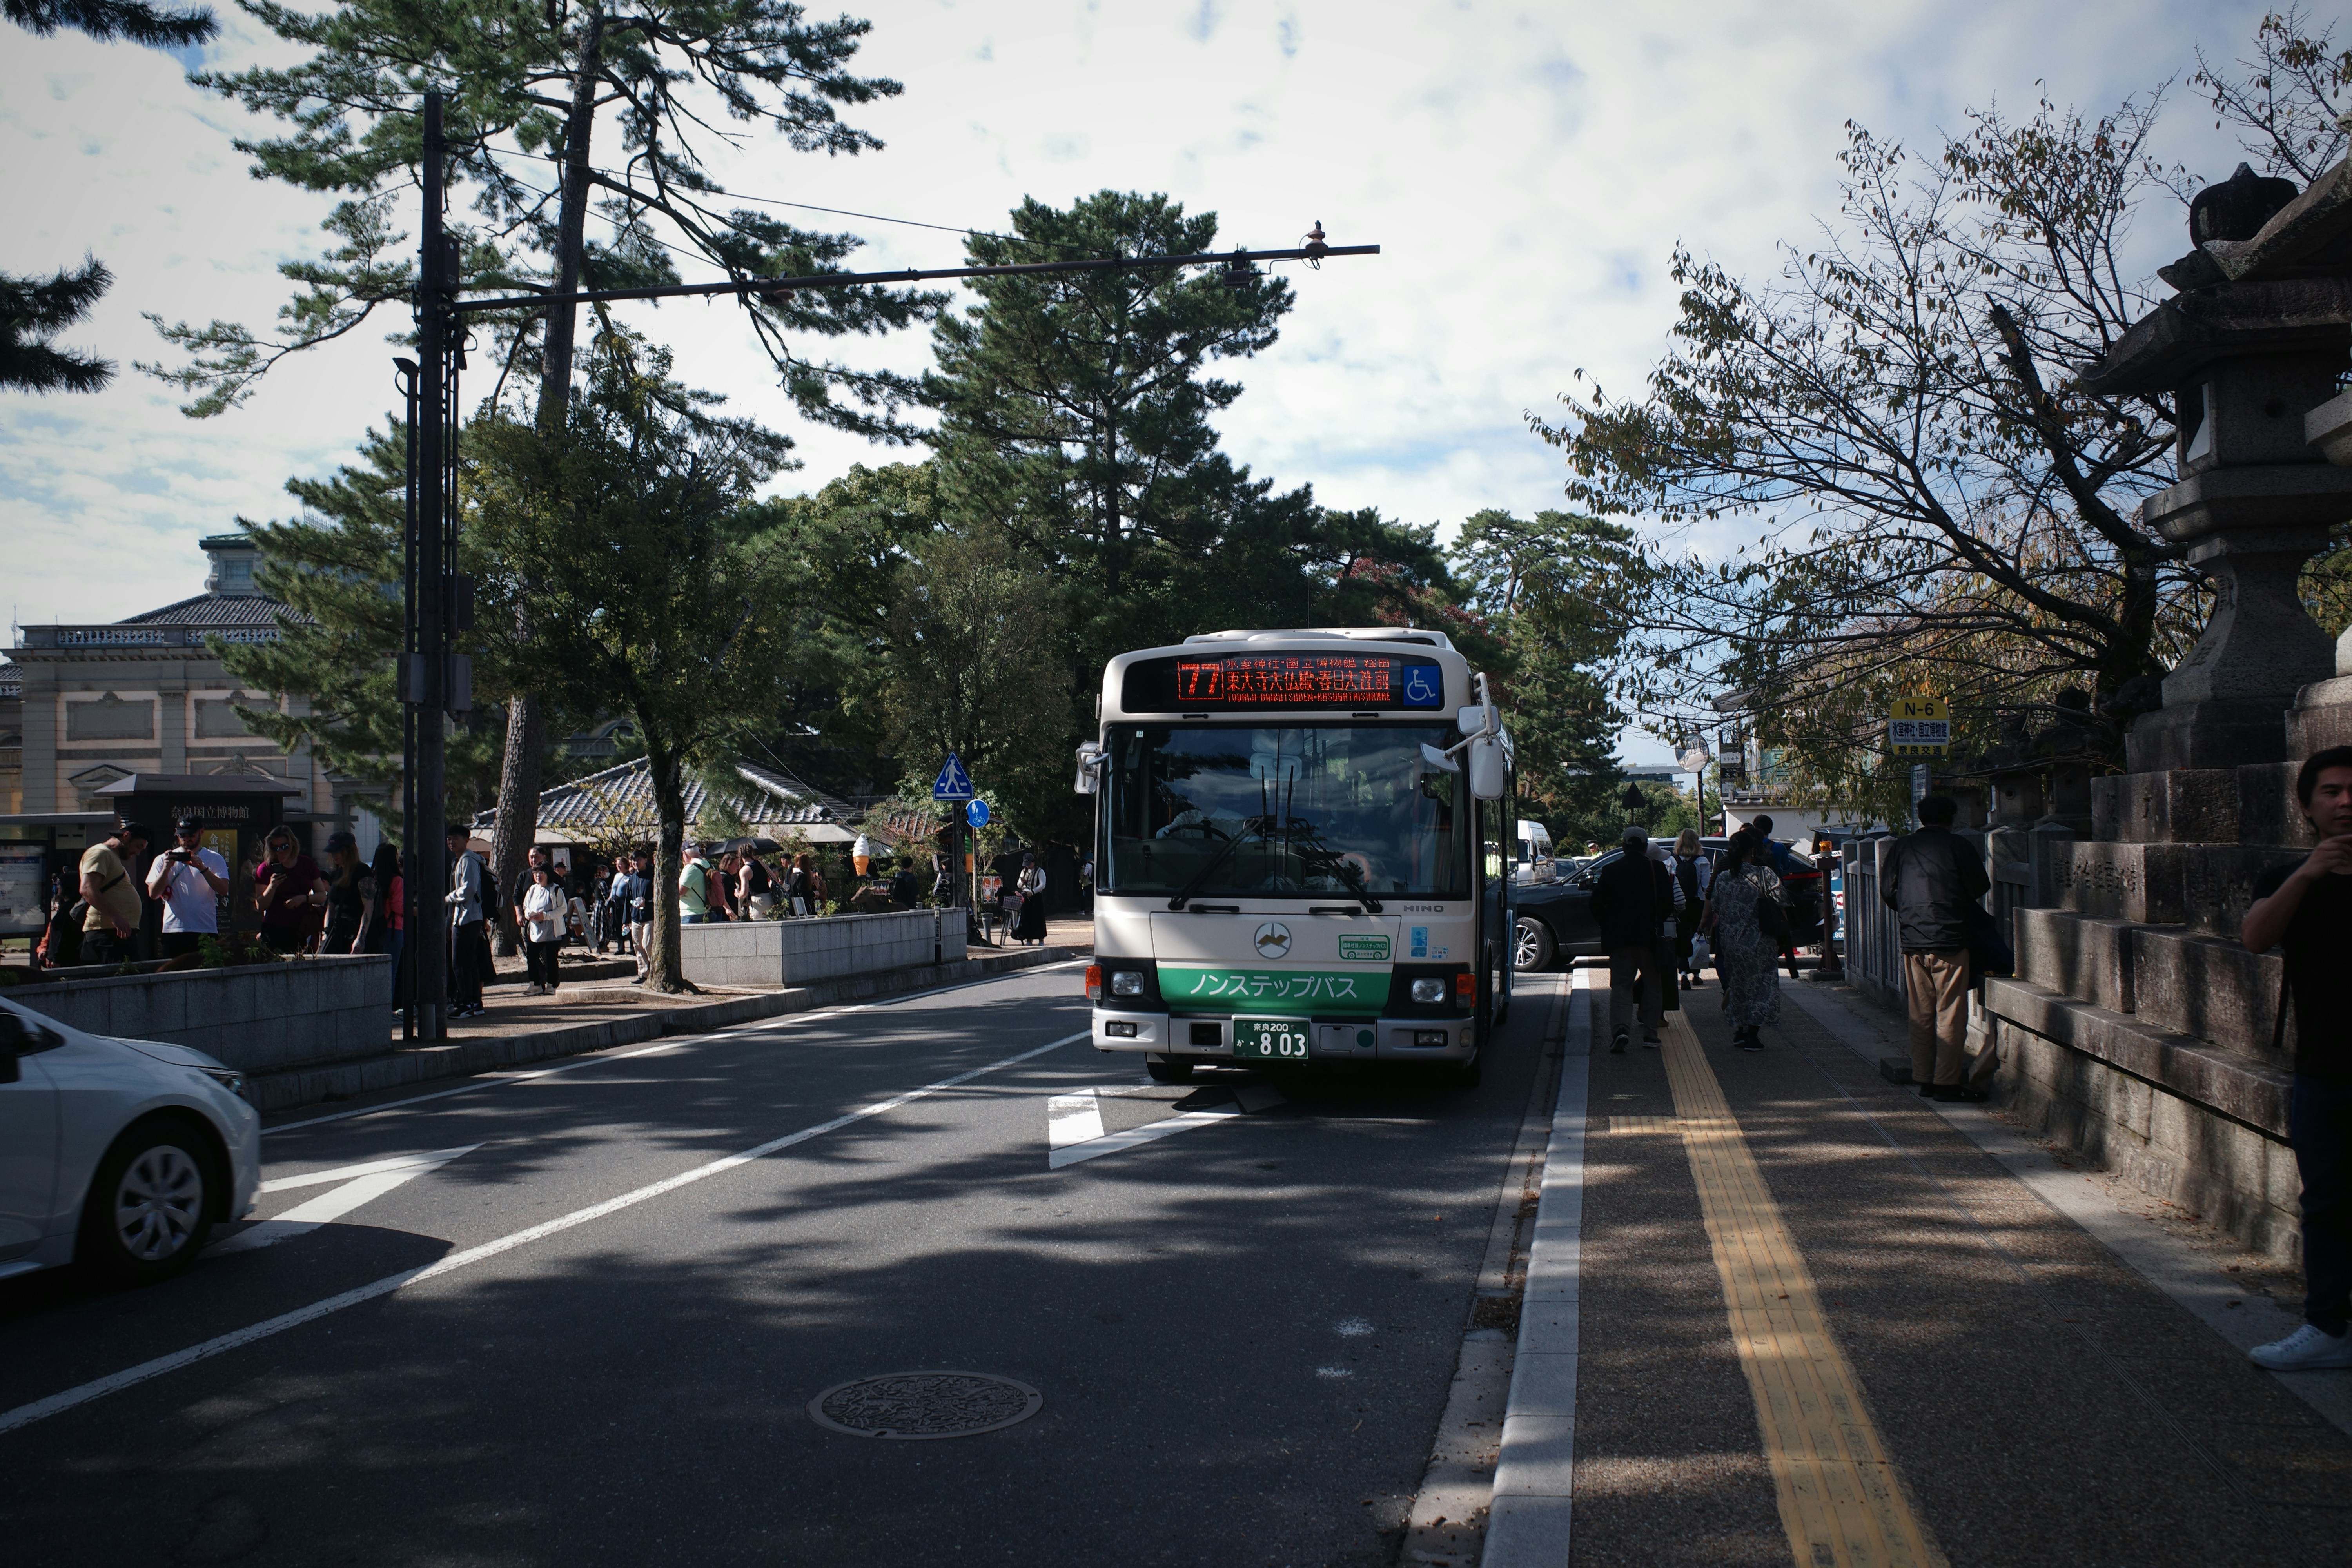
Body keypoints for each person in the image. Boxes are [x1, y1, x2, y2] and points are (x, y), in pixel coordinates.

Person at [2243, 745, 2352, 1371]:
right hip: (2325, 1068)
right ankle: (2326, 1324)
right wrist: (2310, 873)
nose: (2345, 803)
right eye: (2331, 792)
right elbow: (2256, 937)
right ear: (2308, 807)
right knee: (2327, 1203)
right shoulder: (2289, 878)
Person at [1880, 794, 1992, 1100]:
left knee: (1921, 1012)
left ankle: (1924, 1078)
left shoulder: (1902, 847)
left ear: (1921, 817)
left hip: (1913, 938)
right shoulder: (1959, 846)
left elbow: (1887, 890)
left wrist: (1909, 911)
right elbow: (1980, 886)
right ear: (1951, 818)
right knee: (1951, 1012)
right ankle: (1947, 1083)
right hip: (1951, 937)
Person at [1590, 826, 1680, 1053]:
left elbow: (1596, 904)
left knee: (1621, 985)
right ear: (1644, 845)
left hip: (1620, 939)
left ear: (1624, 846)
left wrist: (1608, 924)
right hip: (1650, 937)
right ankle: (1650, 1032)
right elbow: (1668, 904)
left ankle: (1620, 1029)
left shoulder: (1611, 870)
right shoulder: (1656, 869)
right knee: (1653, 984)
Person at [1702, 829, 1784, 1052]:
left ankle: (1739, 1028)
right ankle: (1752, 1034)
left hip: (1731, 942)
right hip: (1759, 941)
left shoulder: (1723, 877)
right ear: (1753, 850)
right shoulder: (1764, 875)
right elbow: (1783, 899)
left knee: (1738, 985)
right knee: (1761, 987)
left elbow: (1716, 904)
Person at [146, 817, 229, 960]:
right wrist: (166, 869)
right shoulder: (163, 859)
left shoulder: (215, 858)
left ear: (201, 832)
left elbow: (224, 889)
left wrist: (202, 868)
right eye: (182, 835)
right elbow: (153, 894)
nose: (186, 839)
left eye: (191, 835)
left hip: (205, 929)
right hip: (174, 930)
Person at [79, 820, 152, 967]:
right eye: (138, 847)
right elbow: (87, 889)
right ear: (126, 836)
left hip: (116, 932)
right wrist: (116, 917)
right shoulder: (100, 853)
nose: (137, 853)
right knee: (124, 980)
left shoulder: (110, 856)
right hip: (108, 933)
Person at [252, 828, 327, 955]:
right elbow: (260, 905)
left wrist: (303, 898)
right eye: (275, 848)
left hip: (303, 928)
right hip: (274, 929)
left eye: (284, 846)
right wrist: (272, 886)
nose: (280, 851)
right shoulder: (265, 869)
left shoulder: (306, 864)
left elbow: (322, 896)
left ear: (293, 844)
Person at [1749, 814, 1806, 978]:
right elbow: (1786, 866)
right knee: (1784, 929)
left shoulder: (1750, 846)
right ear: (1770, 829)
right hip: (1775, 892)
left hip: (1754, 893)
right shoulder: (1779, 848)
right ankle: (1792, 969)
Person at [445, 825, 489, 1020]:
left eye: (455, 838)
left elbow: (469, 889)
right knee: (468, 962)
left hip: (468, 918)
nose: (451, 842)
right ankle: (473, 1003)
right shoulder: (461, 860)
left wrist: (448, 898)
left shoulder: (468, 860)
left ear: (466, 840)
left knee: (460, 963)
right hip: (466, 917)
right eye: (449, 839)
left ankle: (468, 1003)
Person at [1670, 828, 1712, 987]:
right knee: (1697, 938)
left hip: (1679, 904)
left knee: (1681, 938)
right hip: (1697, 904)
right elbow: (1706, 886)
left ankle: (1683, 975)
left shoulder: (1672, 860)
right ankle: (1696, 974)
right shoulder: (1702, 861)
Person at [521, 862, 568, 995]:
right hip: (535, 930)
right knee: (532, 957)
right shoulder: (532, 890)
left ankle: (552, 985)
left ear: (548, 875)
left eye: (541, 873)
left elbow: (563, 909)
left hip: (552, 930)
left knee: (551, 959)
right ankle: (535, 984)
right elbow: (526, 907)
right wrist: (530, 914)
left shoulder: (555, 889)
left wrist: (546, 916)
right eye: (536, 873)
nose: (538, 876)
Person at [319, 831, 368, 955]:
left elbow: (368, 909)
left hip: (355, 931)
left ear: (348, 851)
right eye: (332, 852)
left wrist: (361, 938)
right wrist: (326, 932)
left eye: (338, 851)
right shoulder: (336, 874)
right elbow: (331, 907)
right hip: (337, 933)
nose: (334, 855)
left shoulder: (362, 871)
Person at [1015, 853, 1049, 945]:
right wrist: (1022, 882)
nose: (1028, 866)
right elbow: (1019, 884)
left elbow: (1043, 885)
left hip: (1036, 897)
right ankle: (1029, 939)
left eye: (1029, 864)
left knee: (1038, 918)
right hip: (1025, 897)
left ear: (1033, 862)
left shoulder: (1040, 871)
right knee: (1026, 918)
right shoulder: (1024, 871)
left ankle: (1041, 940)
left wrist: (1033, 892)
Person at [679, 844, 712, 924]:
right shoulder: (710, 865)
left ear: (685, 854)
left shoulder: (690, 868)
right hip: (709, 912)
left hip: (691, 914)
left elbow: (680, 892)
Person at [741, 849, 776, 920]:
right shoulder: (761, 863)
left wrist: (738, 894)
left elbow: (744, 893)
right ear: (752, 853)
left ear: (741, 856)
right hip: (769, 898)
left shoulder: (744, 870)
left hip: (757, 902)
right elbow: (774, 878)